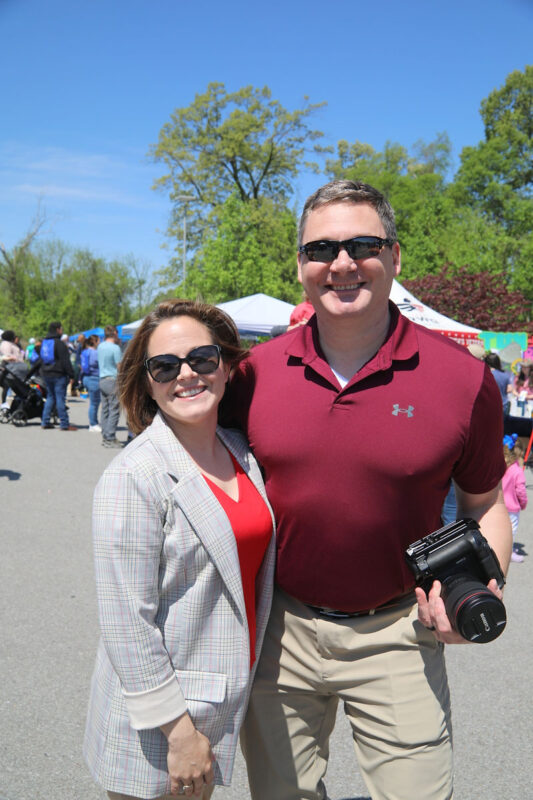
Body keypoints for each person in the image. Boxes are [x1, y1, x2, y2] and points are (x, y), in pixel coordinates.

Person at [226, 179, 512, 800]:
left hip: (399, 632)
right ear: (301, 265)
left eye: (362, 244)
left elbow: (484, 503)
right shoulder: (254, 375)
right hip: (282, 630)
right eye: (321, 249)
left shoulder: (463, 381)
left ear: (396, 257)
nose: (343, 264)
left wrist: (480, 585)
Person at [83, 299, 275, 800]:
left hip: (219, 698)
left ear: (227, 367)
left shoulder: (242, 452)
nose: (186, 375)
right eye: (165, 366)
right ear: (147, 383)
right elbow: (127, 622)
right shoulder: (134, 476)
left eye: (202, 359)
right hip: (163, 724)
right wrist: (178, 730)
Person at [38, 321, 76, 431]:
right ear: (58, 329)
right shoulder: (59, 343)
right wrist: (72, 374)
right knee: (60, 398)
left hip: (46, 374)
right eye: (61, 329)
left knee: (50, 397)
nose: (62, 331)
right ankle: (64, 423)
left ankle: (45, 421)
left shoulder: (45, 342)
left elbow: (40, 360)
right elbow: (65, 361)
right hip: (59, 375)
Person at [502, 433, 528, 563]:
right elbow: (521, 491)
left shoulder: (501, 467)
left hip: (500, 504)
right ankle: (508, 553)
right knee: (511, 531)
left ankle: (497, 547)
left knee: (500, 528)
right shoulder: (517, 471)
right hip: (512, 507)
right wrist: (523, 503)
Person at [97, 324, 123, 447]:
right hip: (112, 380)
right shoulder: (115, 348)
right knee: (114, 410)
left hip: (102, 379)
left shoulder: (100, 346)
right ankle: (110, 437)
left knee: (105, 409)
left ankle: (105, 435)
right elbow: (119, 366)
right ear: (114, 333)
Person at [80, 334, 101, 431]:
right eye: (98, 341)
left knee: (93, 402)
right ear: (94, 342)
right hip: (94, 379)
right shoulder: (94, 353)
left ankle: (93, 422)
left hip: (86, 378)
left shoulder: (84, 352)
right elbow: (96, 363)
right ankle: (93, 424)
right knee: (94, 403)